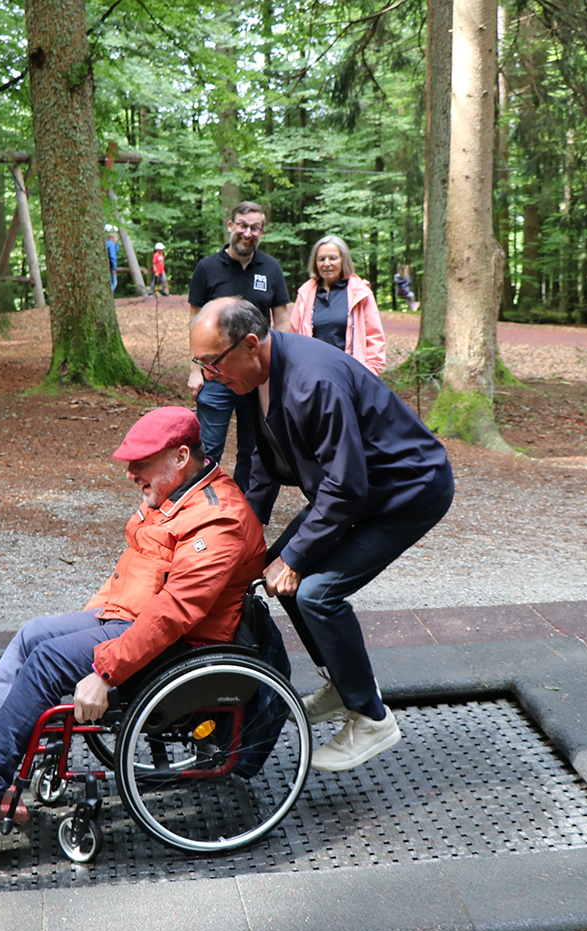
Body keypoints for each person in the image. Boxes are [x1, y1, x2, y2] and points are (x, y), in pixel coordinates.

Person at [0, 407, 266, 820]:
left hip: (182, 643)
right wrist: (91, 621)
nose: (131, 474)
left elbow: (174, 614)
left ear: (181, 457)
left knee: (49, 661)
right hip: (132, 618)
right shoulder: (177, 494)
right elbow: (135, 575)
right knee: (34, 634)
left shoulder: (218, 519)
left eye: (141, 464)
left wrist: (104, 672)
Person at [188, 297, 454, 772]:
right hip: (356, 491)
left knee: (314, 591)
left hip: (408, 490)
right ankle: (344, 681)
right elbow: (261, 467)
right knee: (276, 572)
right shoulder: (252, 378)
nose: (208, 376)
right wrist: (243, 540)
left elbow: (346, 487)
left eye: (212, 363)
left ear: (251, 344)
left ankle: (372, 719)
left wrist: (294, 559)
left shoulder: (313, 381)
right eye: (200, 364)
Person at [187, 201, 290, 491]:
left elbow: (282, 320)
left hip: (257, 374)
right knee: (209, 445)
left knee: (254, 446)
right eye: (242, 225)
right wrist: (196, 370)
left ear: (262, 231)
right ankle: (202, 503)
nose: (248, 232)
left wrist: (278, 369)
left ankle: (246, 506)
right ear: (231, 226)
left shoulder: (271, 268)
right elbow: (195, 322)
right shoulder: (207, 268)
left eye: (255, 227)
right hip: (215, 372)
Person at [286, 234, 387, 376]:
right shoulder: (305, 293)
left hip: (350, 375)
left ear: (343, 260)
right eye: (321, 259)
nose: (327, 263)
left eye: (333, 258)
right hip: (313, 375)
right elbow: (293, 336)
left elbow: (374, 337)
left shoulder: (360, 293)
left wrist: (370, 373)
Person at [106, 225, 120, 292]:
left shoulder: (105, 243)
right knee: (114, 283)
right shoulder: (112, 244)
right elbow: (113, 256)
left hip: (105, 265)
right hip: (111, 266)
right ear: (111, 238)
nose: (117, 239)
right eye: (116, 237)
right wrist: (114, 267)